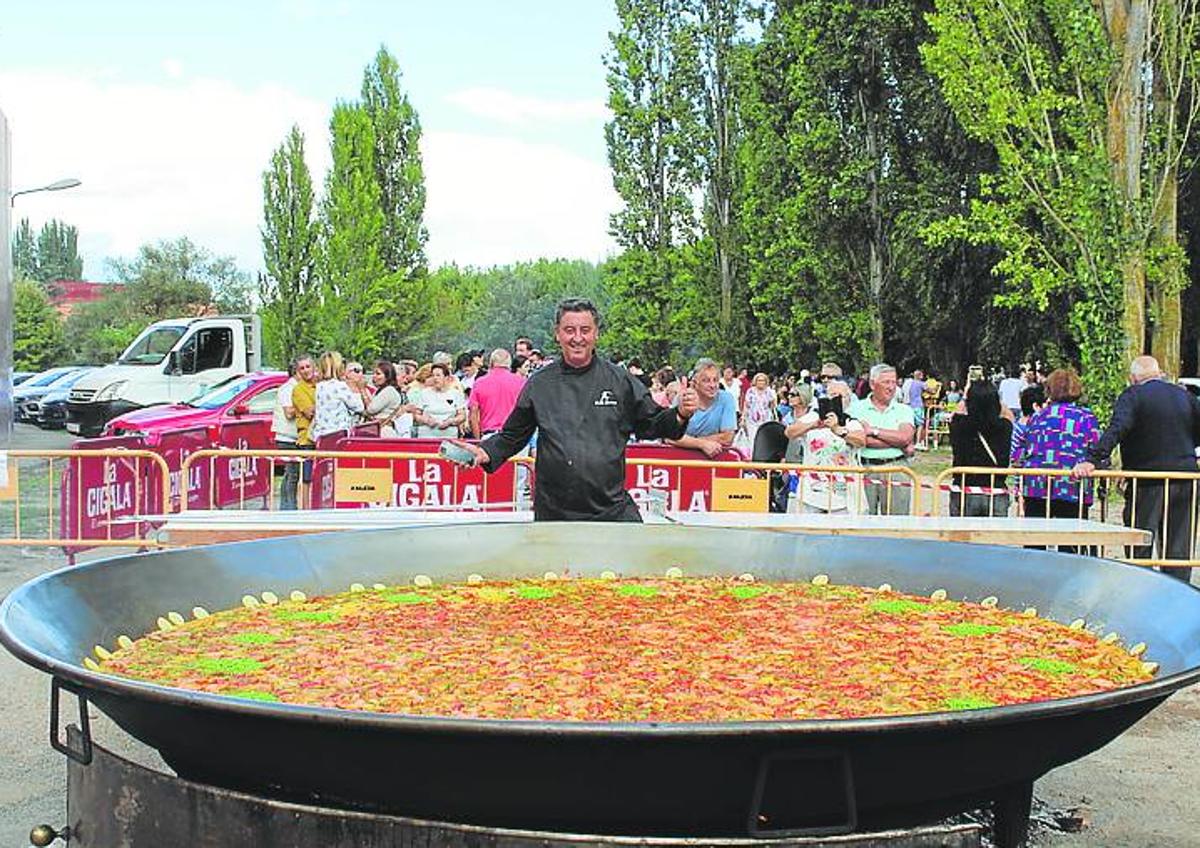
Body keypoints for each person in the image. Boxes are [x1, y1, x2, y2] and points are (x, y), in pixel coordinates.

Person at [453, 298, 698, 521]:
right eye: (569, 330)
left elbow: (652, 424)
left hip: (610, 511)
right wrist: (484, 452)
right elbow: (512, 436)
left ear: (596, 334)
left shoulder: (620, 381)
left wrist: (680, 413)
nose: (577, 338)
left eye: (585, 330)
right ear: (557, 334)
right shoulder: (539, 383)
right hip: (554, 513)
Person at [1074, 355, 1200, 583]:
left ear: (1132, 378)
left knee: (1139, 538)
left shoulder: (1133, 395)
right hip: (1185, 477)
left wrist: (1093, 458)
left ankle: (1141, 586)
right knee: (1179, 545)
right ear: (1159, 372)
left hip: (1146, 478)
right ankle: (1178, 591)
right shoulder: (1185, 396)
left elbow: (1118, 428)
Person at [1011, 368, 1099, 551]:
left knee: (1036, 544)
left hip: (1037, 486)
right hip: (1073, 487)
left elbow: (1021, 452)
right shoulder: (1086, 418)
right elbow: (1096, 450)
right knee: (1072, 546)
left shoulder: (1037, 417)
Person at [785, 379, 865, 513]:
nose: (836, 399)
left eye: (841, 396)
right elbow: (789, 432)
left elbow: (861, 440)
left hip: (842, 494)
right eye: (832, 395)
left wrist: (840, 431)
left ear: (849, 400)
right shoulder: (813, 416)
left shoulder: (851, 421)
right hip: (811, 492)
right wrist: (813, 425)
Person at [847, 364, 915, 515]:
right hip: (864, 469)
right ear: (872, 384)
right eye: (886, 382)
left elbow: (905, 437)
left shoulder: (904, 410)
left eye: (894, 382)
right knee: (863, 519)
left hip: (896, 468)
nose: (891, 387)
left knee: (896, 522)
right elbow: (857, 439)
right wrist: (894, 441)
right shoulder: (856, 409)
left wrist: (873, 431)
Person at [947, 380, 1013, 517]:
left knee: (961, 536)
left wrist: (966, 397)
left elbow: (954, 414)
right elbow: (1009, 415)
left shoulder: (960, 425)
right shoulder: (1004, 427)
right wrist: (993, 399)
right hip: (995, 488)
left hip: (964, 487)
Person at [666, 358, 736, 458]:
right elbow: (669, 436)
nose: (712, 385)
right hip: (681, 458)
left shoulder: (726, 399)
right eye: (706, 381)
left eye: (715, 380)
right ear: (695, 383)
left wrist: (687, 441)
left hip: (714, 458)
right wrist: (702, 444)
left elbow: (727, 437)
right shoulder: (682, 399)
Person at [271, 355, 313, 510]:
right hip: (287, 436)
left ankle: (287, 506)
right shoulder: (289, 388)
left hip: (296, 436)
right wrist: (304, 407)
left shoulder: (303, 387)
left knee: (292, 474)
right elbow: (289, 412)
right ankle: (289, 508)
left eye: (308, 367)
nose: (306, 372)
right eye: (302, 369)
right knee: (292, 473)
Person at [310, 351, 367, 444]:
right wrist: (357, 389)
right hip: (338, 437)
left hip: (321, 435)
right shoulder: (341, 386)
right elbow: (359, 407)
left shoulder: (320, 387)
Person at [469, 348, 526, 437]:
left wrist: (478, 439)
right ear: (509, 363)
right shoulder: (521, 382)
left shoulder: (479, 383)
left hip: (489, 435)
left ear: (491, 362)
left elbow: (473, 414)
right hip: (515, 435)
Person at [414, 363, 466, 438]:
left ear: (446, 377)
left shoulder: (455, 394)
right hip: (427, 436)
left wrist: (450, 421)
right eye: (433, 375)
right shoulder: (424, 393)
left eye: (438, 375)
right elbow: (417, 415)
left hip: (449, 436)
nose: (435, 378)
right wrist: (427, 420)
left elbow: (462, 416)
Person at [364, 360, 407, 438]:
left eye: (378, 374)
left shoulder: (389, 390)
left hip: (384, 431)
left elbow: (371, 409)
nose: (374, 376)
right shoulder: (382, 390)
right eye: (374, 373)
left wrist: (362, 391)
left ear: (388, 376)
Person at [741, 372, 778, 450]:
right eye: (759, 380)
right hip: (752, 420)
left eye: (763, 380)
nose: (761, 382)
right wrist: (743, 418)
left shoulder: (769, 391)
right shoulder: (750, 391)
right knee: (753, 439)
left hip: (765, 419)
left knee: (765, 439)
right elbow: (746, 405)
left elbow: (773, 407)